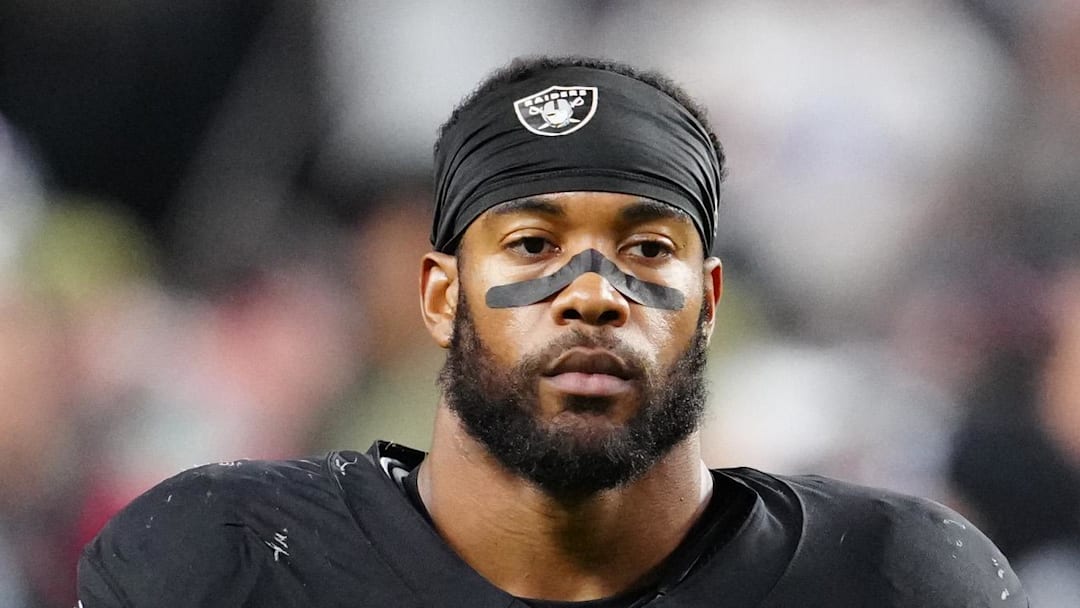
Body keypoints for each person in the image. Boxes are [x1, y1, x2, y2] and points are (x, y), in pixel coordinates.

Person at [76, 56, 1028, 607]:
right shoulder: (222, 558)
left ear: (710, 301)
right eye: (532, 244)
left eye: (647, 248)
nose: (592, 294)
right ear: (441, 296)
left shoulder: (892, 581)